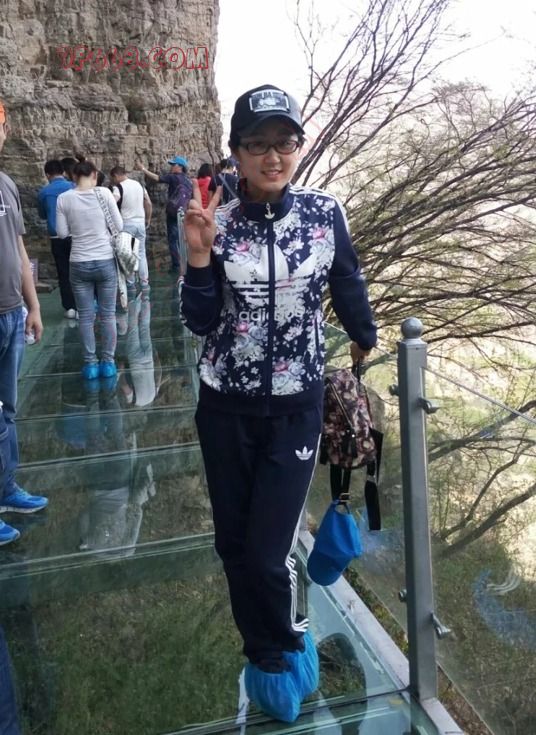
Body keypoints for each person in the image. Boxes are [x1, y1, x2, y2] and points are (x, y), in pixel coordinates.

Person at [180, 84, 378, 723]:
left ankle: (289, 642)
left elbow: (346, 276)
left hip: (296, 408)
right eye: (257, 144)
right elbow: (199, 320)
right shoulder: (216, 220)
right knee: (233, 547)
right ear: (236, 153)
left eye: (284, 142)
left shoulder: (323, 212)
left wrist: (364, 335)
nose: (273, 156)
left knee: (268, 553)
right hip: (224, 407)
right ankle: (263, 653)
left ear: (298, 147)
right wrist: (199, 255)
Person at [0, 101, 48, 547]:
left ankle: (6, 489)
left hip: (12, 314)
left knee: (7, 411)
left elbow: (18, 249)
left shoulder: (6, 184)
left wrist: (32, 305)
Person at [56, 160, 122, 380]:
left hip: (78, 262)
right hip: (105, 260)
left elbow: (62, 233)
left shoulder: (64, 198)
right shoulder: (104, 194)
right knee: (108, 314)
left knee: (85, 316)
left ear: (74, 176)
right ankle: (108, 363)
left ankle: (91, 365)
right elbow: (119, 226)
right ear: (94, 175)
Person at [136, 156, 192, 273]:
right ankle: (186, 263)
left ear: (180, 167)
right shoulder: (187, 180)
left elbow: (157, 178)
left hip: (173, 213)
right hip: (184, 212)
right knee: (183, 238)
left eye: (173, 165)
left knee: (173, 239)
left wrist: (143, 169)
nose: (171, 167)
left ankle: (176, 266)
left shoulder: (173, 177)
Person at [37, 159, 77, 318]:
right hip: (75, 234)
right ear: (63, 172)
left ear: (47, 175)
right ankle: (83, 304)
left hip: (56, 237)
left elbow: (42, 214)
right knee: (79, 269)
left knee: (63, 272)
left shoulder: (44, 192)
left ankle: (70, 307)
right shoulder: (73, 187)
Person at [110, 165, 152, 292]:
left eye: (113, 179)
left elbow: (111, 204)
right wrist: (148, 218)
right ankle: (144, 283)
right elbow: (148, 203)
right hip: (140, 223)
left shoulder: (118, 188)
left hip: (126, 224)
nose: (113, 181)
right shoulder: (139, 185)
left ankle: (131, 285)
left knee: (128, 255)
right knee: (141, 253)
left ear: (116, 175)